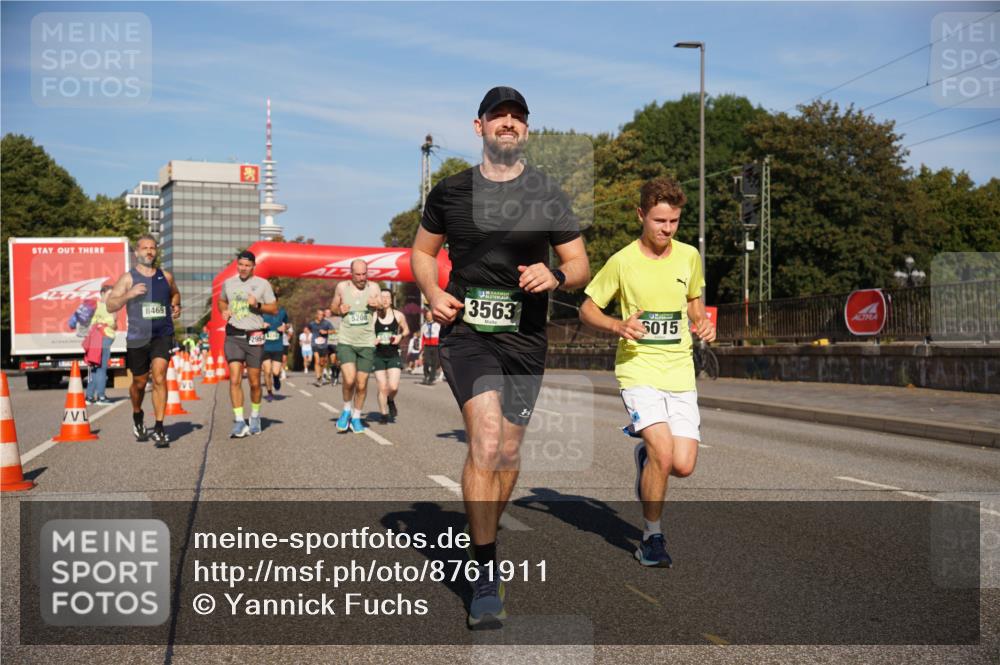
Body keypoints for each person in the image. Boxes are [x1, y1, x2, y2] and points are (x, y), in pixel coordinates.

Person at [410, 86, 589, 627]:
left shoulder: (548, 194)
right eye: (498, 117)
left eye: (516, 118)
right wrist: (433, 293)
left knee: (508, 453)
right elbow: (421, 251)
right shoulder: (450, 191)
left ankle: (484, 527)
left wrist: (555, 275)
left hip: (526, 337)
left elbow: (579, 263)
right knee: (485, 440)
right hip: (468, 334)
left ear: (526, 130)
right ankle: (485, 573)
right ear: (479, 126)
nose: (507, 125)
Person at [580, 176, 716, 568]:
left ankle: (646, 457)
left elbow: (693, 300)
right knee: (663, 448)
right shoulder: (622, 261)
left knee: (683, 465)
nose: (666, 229)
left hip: (679, 371)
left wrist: (702, 320)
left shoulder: (689, 255)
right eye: (659, 221)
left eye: (673, 222)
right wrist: (617, 326)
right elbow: (587, 308)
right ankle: (651, 537)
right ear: (641, 214)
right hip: (638, 369)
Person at [105, 234, 181, 448]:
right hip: (138, 338)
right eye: (144, 248)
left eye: (152, 248)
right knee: (139, 382)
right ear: (137, 253)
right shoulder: (128, 278)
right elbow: (111, 305)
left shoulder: (166, 276)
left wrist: (176, 306)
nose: (149, 251)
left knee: (159, 377)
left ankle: (159, 427)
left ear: (156, 252)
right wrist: (128, 295)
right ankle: (138, 415)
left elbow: (175, 294)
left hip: (162, 335)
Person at [218, 250, 278, 437]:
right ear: (237, 265)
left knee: (254, 382)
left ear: (253, 266)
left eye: (247, 265)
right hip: (233, 335)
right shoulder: (229, 283)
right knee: (235, 378)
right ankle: (238, 421)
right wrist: (224, 310)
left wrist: (257, 305)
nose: (243, 268)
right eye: (241, 265)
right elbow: (221, 301)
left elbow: (274, 309)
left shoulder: (262, 284)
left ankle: (255, 416)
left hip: (254, 336)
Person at [330, 260, 381, 433]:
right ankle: (346, 410)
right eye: (358, 274)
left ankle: (357, 416)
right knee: (349, 379)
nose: (361, 278)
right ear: (351, 273)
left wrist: (378, 305)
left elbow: (382, 307)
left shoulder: (374, 288)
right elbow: (332, 307)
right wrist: (339, 309)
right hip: (346, 341)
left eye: (364, 274)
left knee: (361, 384)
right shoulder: (342, 287)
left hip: (366, 342)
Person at [372, 289, 410, 424]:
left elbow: (406, 329)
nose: (385, 299)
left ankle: (390, 400)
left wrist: (400, 336)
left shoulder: (398, 315)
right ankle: (383, 414)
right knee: (382, 386)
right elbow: (368, 333)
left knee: (393, 387)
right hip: (378, 355)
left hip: (393, 354)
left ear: (391, 299)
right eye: (382, 297)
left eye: (388, 297)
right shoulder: (374, 316)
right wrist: (372, 340)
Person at [84, 283, 116, 406]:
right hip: (102, 339)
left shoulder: (106, 307)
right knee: (102, 368)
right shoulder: (100, 306)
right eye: (109, 294)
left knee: (96, 369)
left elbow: (114, 325)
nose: (111, 296)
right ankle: (101, 397)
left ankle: (90, 396)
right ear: (102, 293)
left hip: (99, 340)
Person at [262, 293, 289, 402]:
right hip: (264, 346)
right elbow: (252, 325)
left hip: (277, 347)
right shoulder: (261, 313)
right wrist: (261, 325)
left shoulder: (282, 312)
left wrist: (284, 326)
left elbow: (287, 324)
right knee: (267, 371)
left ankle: (276, 379)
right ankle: (269, 392)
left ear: (276, 301)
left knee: (275, 372)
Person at [308, 309, 330, 386]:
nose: (320, 316)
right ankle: (318, 378)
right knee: (317, 361)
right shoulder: (312, 324)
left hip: (324, 345)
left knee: (322, 362)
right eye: (319, 314)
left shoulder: (327, 323)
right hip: (315, 344)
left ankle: (321, 375)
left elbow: (333, 331)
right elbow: (308, 329)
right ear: (316, 315)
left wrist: (326, 332)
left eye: (322, 314)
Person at [419, 310, 441, 385]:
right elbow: (422, 337)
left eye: (429, 315)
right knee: (426, 362)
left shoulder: (438, 325)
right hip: (427, 346)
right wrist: (421, 348)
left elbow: (440, 336)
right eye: (427, 315)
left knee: (434, 363)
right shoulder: (424, 326)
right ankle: (426, 375)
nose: (428, 316)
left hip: (436, 346)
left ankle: (431, 378)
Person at [324, 308, 342, 386]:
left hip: (339, 342)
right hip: (330, 342)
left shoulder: (341, 319)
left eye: (329, 312)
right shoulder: (324, 321)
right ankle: (333, 376)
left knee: (339, 362)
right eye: (326, 312)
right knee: (333, 361)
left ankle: (336, 376)